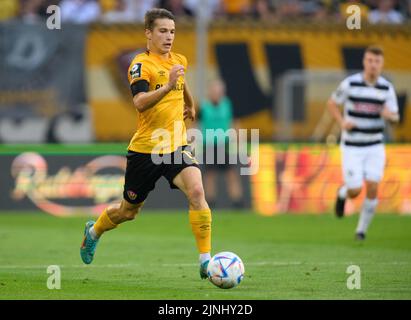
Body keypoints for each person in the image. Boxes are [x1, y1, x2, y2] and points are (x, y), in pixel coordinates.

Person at [80, 8, 212, 279]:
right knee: (128, 212)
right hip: (145, 151)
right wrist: (166, 88)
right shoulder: (141, 64)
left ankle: (206, 260)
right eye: (163, 31)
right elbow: (139, 102)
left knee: (197, 191)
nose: (169, 37)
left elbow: (179, 79)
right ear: (148, 33)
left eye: (172, 31)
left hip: (175, 147)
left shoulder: (178, 60)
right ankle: (94, 231)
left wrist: (189, 102)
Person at [327, 45, 400, 240]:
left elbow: (395, 117)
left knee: (373, 186)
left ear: (382, 64)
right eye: (370, 61)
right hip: (352, 146)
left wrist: (388, 115)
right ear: (364, 62)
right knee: (355, 190)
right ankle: (343, 193)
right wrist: (342, 122)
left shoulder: (386, 88)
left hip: (375, 145)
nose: (373, 65)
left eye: (377, 61)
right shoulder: (351, 84)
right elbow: (332, 103)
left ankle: (361, 231)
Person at [199, 79, 244, 209]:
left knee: (231, 174)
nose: (217, 94)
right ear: (210, 92)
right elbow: (195, 125)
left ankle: (237, 202)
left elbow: (234, 122)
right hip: (209, 145)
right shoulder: (204, 107)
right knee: (209, 175)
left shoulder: (227, 105)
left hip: (224, 144)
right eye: (215, 91)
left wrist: (238, 138)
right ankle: (210, 202)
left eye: (219, 91)